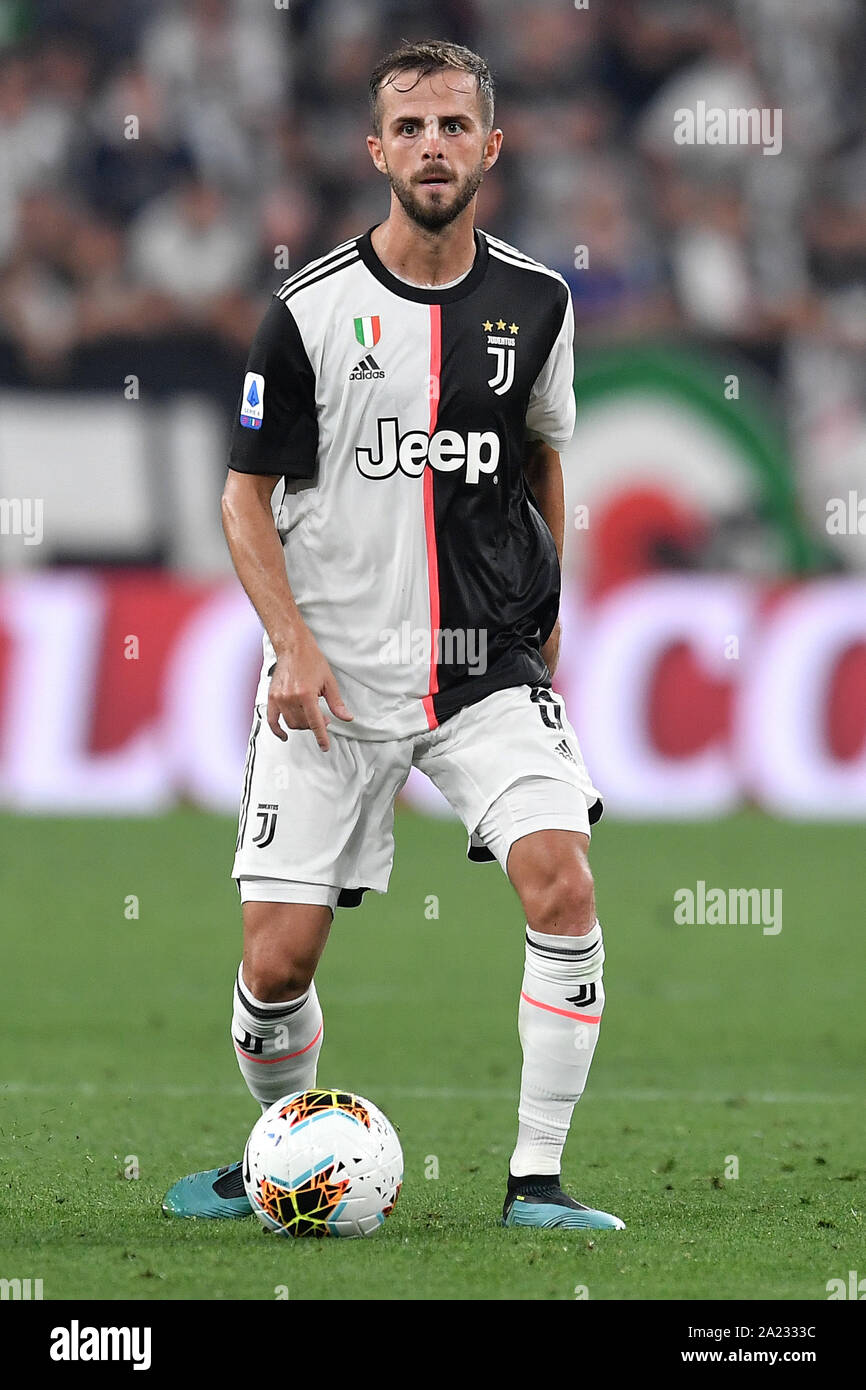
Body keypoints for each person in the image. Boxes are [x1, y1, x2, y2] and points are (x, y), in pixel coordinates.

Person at [163, 38, 624, 1232]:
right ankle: (274, 1149)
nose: (432, 147)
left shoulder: (538, 301)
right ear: (375, 150)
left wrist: (551, 609)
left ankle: (534, 1182)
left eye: (452, 126)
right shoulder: (308, 311)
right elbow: (241, 498)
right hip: (334, 677)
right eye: (408, 128)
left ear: (489, 145)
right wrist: (291, 643)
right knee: (276, 966)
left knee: (561, 882)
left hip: (484, 670)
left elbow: (540, 458)